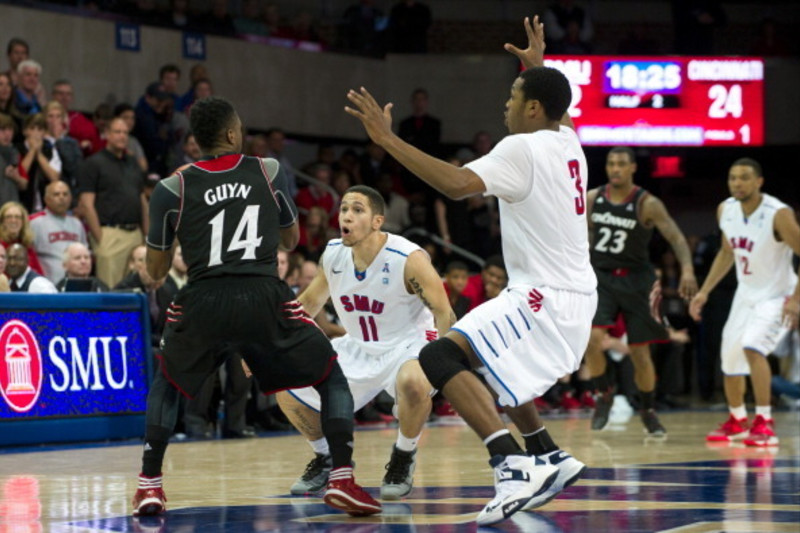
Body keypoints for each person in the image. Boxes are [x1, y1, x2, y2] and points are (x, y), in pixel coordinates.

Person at [345, 16, 594, 526]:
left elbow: (457, 184)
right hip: (566, 296)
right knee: (478, 361)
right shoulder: (569, 140)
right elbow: (559, 109)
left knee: (438, 356)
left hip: (543, 297)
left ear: (532, 108)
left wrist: (387, 141)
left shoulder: (521, 147)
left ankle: (511, 466)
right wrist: (539, 68)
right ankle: (546, 453)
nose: (505, 104)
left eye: (513, 93)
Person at [132, 96, 380, 518]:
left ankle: (149, 486)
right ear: (231, 134)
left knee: (167, 382)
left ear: (197, 140)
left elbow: (155, 270)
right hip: (263, 294)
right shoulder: (268, 171)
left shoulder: (172, 187)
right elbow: (290, 241)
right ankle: (342, 477)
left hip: (203, 297)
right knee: (329, 375)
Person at [277, 185, 454, 499]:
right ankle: (326, 456)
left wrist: (448, 369)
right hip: (357, 346)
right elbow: (309, 303)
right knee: (283, 383)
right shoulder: (333, 254)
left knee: (413, 381)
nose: (346, 215)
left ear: (377, 221)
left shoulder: (407, 258)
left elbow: (444, 311)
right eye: (344, 208)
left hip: (406, 345)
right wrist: (267, 345)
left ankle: (403, 455)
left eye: (357, 209)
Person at [584, 146, 698, 435]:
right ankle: (604, 395)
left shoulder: (647, 203)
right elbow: (577, 234)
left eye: (622, 163)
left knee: (640, 353)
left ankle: (647, 410)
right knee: (591, 340)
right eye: (611, 163)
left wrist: (686, 269)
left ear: (633, 167)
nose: (616, 168)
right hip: (603, 278)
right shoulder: (593, 198)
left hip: (638, 281)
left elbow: (676, 237)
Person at [690, 158, 800, 447]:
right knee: (729, 356)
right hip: (746, 293)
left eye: (744, 177)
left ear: (759, 182)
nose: (737, 183)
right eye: (732, 178)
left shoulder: (778, 214)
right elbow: (727, 253)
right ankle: (737, 420)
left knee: (753, 346)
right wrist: (704, 291)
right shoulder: (725, 210)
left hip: (777, 294)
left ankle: (764, 422)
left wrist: (796, 299)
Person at [77, 117, 147, 289]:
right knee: (109, 292)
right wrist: (100, 239)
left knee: (138, 289)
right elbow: (87, 204)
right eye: (117, 132)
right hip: (109, 234)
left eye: (125, 133)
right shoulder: (94, 163)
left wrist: (147, 236)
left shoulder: (134, 164)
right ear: (107, 134)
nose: (122, 136)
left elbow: (142, 201)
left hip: (135, 234)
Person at [29, 181, 88, 283]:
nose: (61, 197)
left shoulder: (77, 224)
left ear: (70, 198)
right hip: (46, 285)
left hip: (75, 284)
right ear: (46, 199)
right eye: (56, 194)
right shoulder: (34, 222)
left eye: (65, 194)